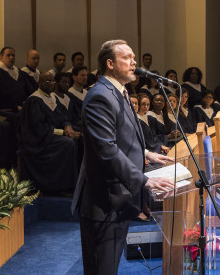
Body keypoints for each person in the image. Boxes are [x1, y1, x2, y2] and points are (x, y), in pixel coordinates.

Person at [71, 40, 174, 275]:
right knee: (101, 268)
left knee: (111, 266)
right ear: (110, 63)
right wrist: (145, 180)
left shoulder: (121, 92)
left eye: (134, 57)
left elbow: (121, 136)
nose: (134, 62)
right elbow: (106, 149)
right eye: (127, 57)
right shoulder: (100, 96)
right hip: (103, 201)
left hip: (119, 198)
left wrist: (147, 153)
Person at [19, 71, 79, 193]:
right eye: (47, 80)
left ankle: (76, 182)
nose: (51, 83)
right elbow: (38, 128)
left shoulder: (52, 99)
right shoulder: (34, 100)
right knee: (67, 143)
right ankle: (60, 186)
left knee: (80, 137)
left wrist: (68, 127)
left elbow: (63, 117)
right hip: (38, 141)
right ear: (40, 83)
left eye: (52, 81)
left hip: (50, 136)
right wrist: (63, 132)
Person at [0, 46, 32, 114]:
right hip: (8, 110)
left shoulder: (19, 72)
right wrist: (15, 107)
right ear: (1, 57)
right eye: (8, 55)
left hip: (22, 107)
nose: (11, 57)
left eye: (13, 55)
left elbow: (28, 89)